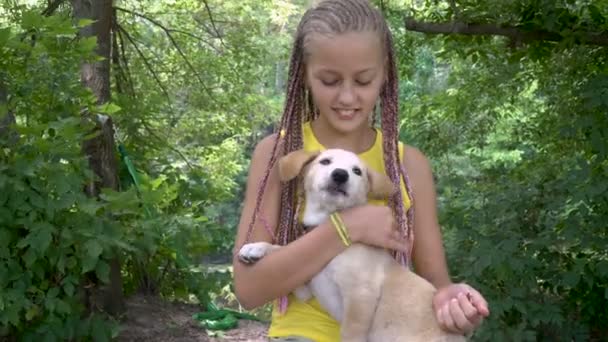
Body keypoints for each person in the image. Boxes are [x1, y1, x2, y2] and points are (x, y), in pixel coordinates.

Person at [232, 1, 490, 341]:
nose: (347, 96)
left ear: (384, 74)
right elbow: (249, 290)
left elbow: (436, 286)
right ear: (305, 76)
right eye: (329, 80)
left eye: (364, 80)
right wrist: (347, 227)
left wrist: (454, 305)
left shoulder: (408, 166)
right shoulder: (278, 154)